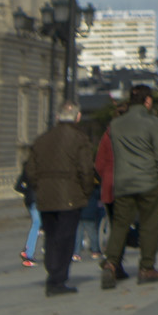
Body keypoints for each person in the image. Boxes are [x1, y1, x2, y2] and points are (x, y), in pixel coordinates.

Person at [23, 100, 99, 296]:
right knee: (65, 238)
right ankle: (58, 279)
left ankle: (53, 273)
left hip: (46, 196)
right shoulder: (80, 139)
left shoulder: (41, 140)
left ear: (57, 117)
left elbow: (30, 170)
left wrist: (39, 186)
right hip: (70, 195)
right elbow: (86, 170)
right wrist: (86, 192)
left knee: (51, 236)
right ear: (78, 117)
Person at [102, 84, 158, 288]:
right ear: (147, 101)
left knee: (120, 224)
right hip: (149, 180)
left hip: (123, 180)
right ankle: (146, 267)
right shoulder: (154, 123)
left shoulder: (116, 124)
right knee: (149, 223)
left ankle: (111, 263)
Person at [15, 164, 41, 267]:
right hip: (39, 200)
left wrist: (27, 192)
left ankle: (28, 250)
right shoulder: (41, 168)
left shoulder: (27, 168)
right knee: (37, 224)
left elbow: (17, 186)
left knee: (36, 224)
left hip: (30, 200)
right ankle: (29, 254)